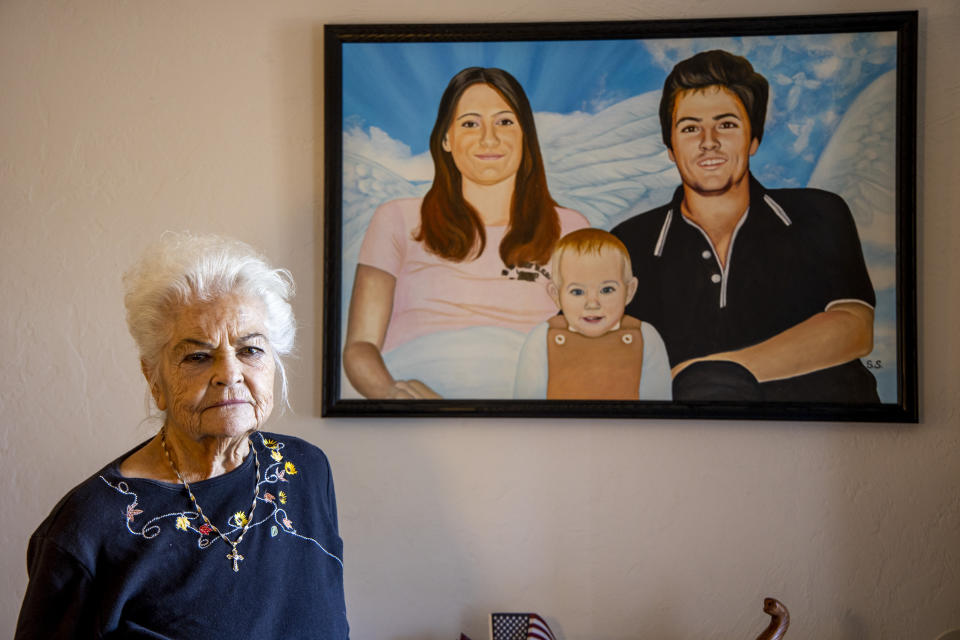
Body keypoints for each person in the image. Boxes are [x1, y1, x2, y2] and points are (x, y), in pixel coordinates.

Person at [15, 233, 349, 639]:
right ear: (154, 377)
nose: (229, 374)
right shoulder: (88, 529)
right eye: (197, 356)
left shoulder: (307, 471)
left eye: (251, 350)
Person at [611, 50, 879, 403]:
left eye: (726, 124)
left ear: (753, 139)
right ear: (671, 147)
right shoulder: (628, 242)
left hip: (827, 441)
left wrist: (707, 376)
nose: (709, 141)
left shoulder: (818, 212)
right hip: (680, 444)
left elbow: (854, 327)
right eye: (690, 128)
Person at [344, 67, 589, 399]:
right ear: (446, 138)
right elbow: (360, 345)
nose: (489, 138)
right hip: (415, 416)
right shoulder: (395, 218)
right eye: (470, 124)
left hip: (533, 411)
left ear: (525, 135)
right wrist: (394, 397)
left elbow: (592, 339)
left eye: (504, 122)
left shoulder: (571, 228)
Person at [514, 228, 671, 400]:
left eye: (607, 290)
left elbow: (659, 404)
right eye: (577, 292)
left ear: (629, 291)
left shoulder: (645, 337)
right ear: (556, 295)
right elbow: (527, 407)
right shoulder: (542, 338)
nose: (592, 303)